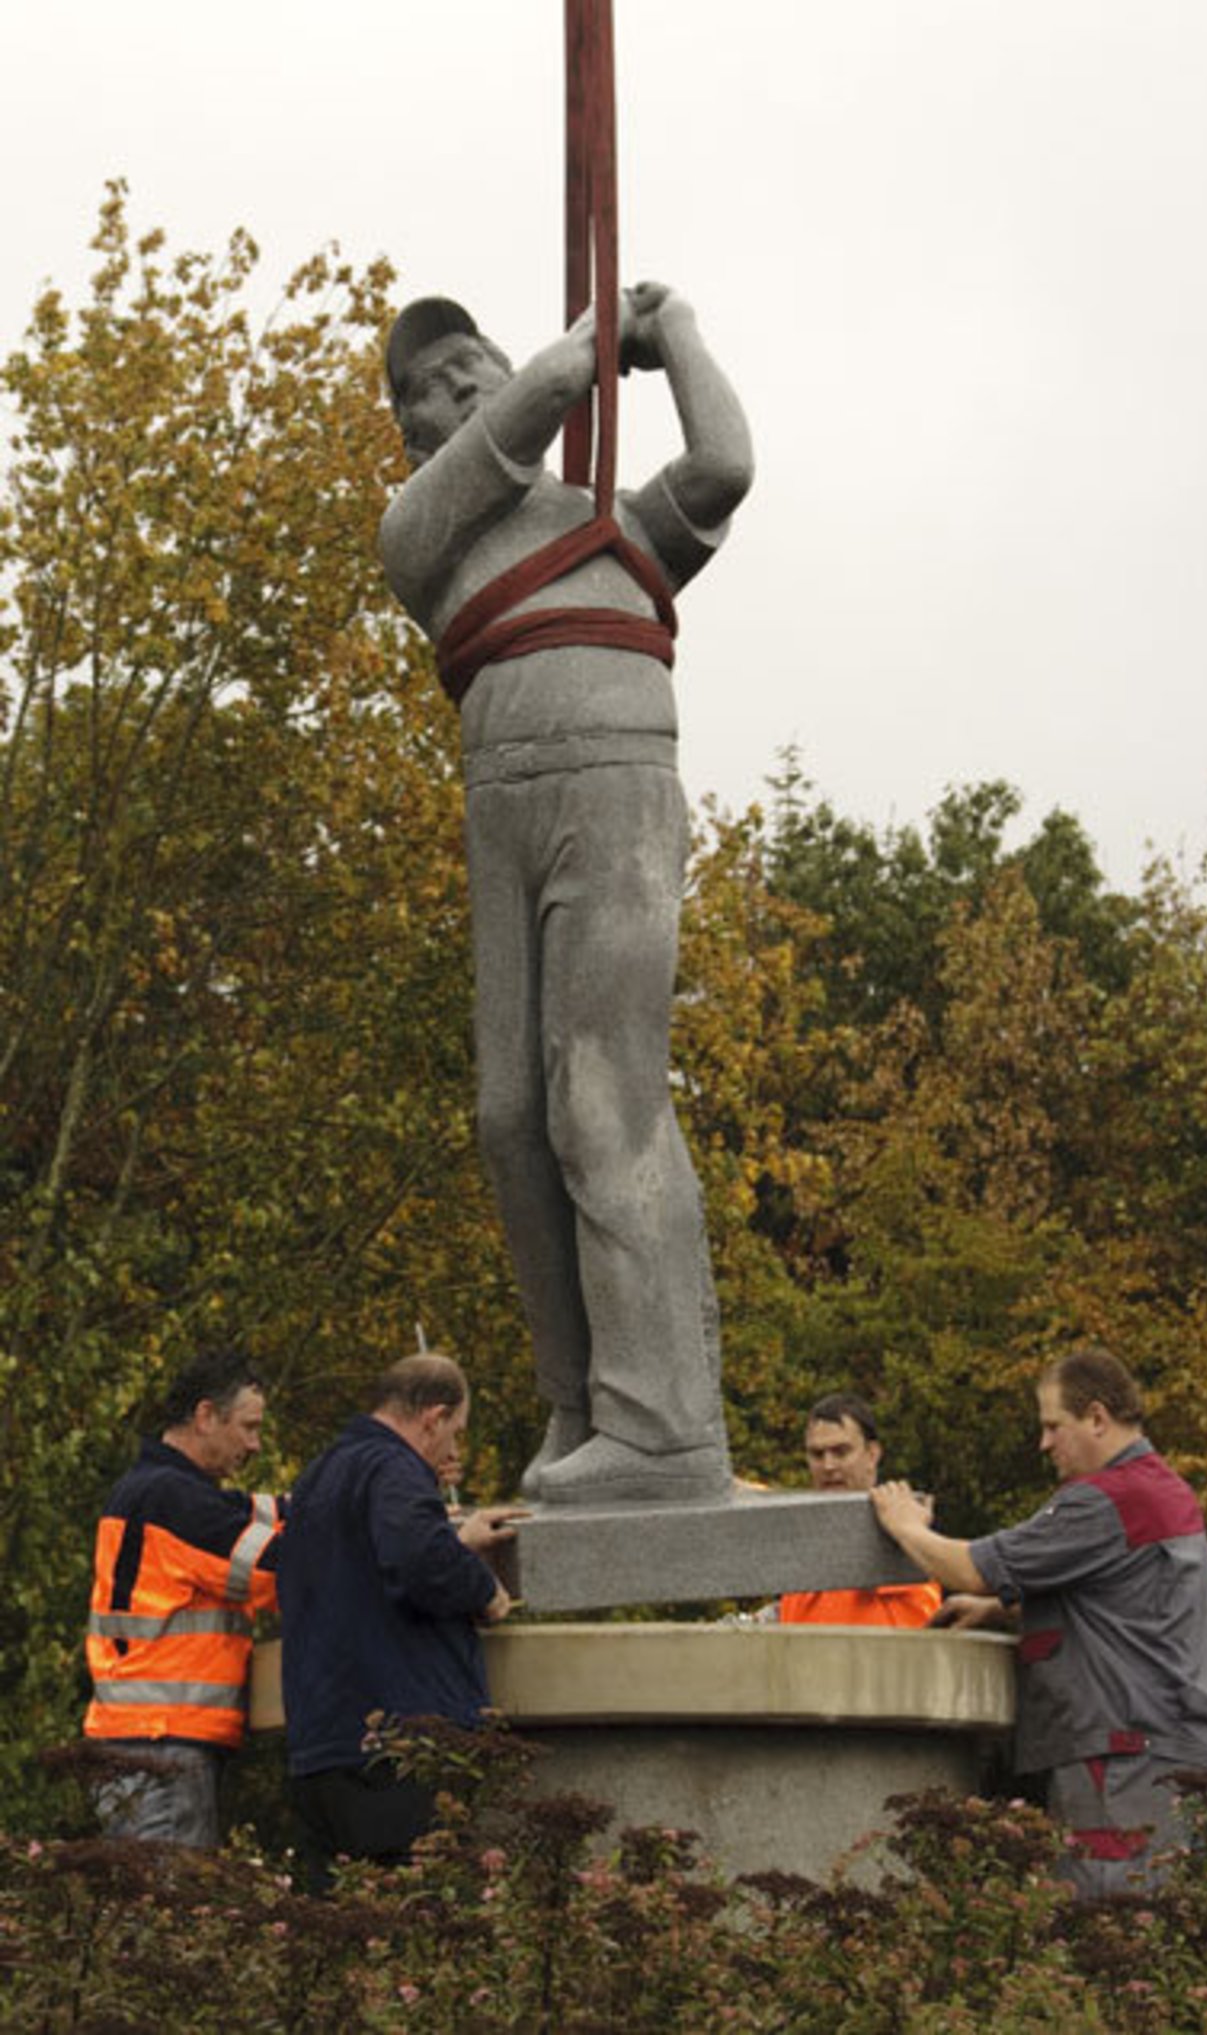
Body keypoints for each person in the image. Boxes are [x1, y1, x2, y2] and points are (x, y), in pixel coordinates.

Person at [379, 282, 753, 1507]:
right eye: (428, 390)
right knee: (508, 1114)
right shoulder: (423, 528)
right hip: (506, 800)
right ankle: (583, 1398)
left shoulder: (617, 534)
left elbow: (722, 463)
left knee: (603, 1096)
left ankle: (665, 1427)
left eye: (469, 360)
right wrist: (585, 352)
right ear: (415, 434)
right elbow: (528, 412)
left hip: (615, 784)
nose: (460, 385)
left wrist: (668, 333)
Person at [870, 1344, 1207, 1896]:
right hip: (1169, 1749)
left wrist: (906, 1526)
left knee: (1114, 1920)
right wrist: (1002, 1610)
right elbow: (1121, 1598)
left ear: (1096, 1417)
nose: (1043, 1444)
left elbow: (972, 1568)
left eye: (1052, 1426)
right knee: (1174, 1926)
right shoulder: (1162, 1488)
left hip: (1125, 1760)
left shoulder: (1106, 1500)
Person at [277, 1351, 522, 1886]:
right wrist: (484, 1589)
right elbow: (418, 1558)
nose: (452, 1450)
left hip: (322, 1744)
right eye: (454, 1432)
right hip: (399, 1749)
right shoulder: (393, 1467)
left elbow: (364, 1572)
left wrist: (454, 1541)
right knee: (421, 1921)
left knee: (339, 1932)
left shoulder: (320, 1474)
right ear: (432, 1416)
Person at [83, 1349, 285, 1849]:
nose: (255, 1445)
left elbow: (262, 1512)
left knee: (154, 1912)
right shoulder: (175, 1501)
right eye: (248, 1427)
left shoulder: (161, 1490)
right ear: (205, 1416)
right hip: (162, 1745)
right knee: (172, 1911)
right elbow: (279, 1568)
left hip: (143, 1741)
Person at [778, 1393, 943, 1628]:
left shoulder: (900, 1523)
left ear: (872, 1454)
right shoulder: (803, 1535)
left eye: (841, 1451)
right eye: (817, 1454)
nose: (828, 1465)